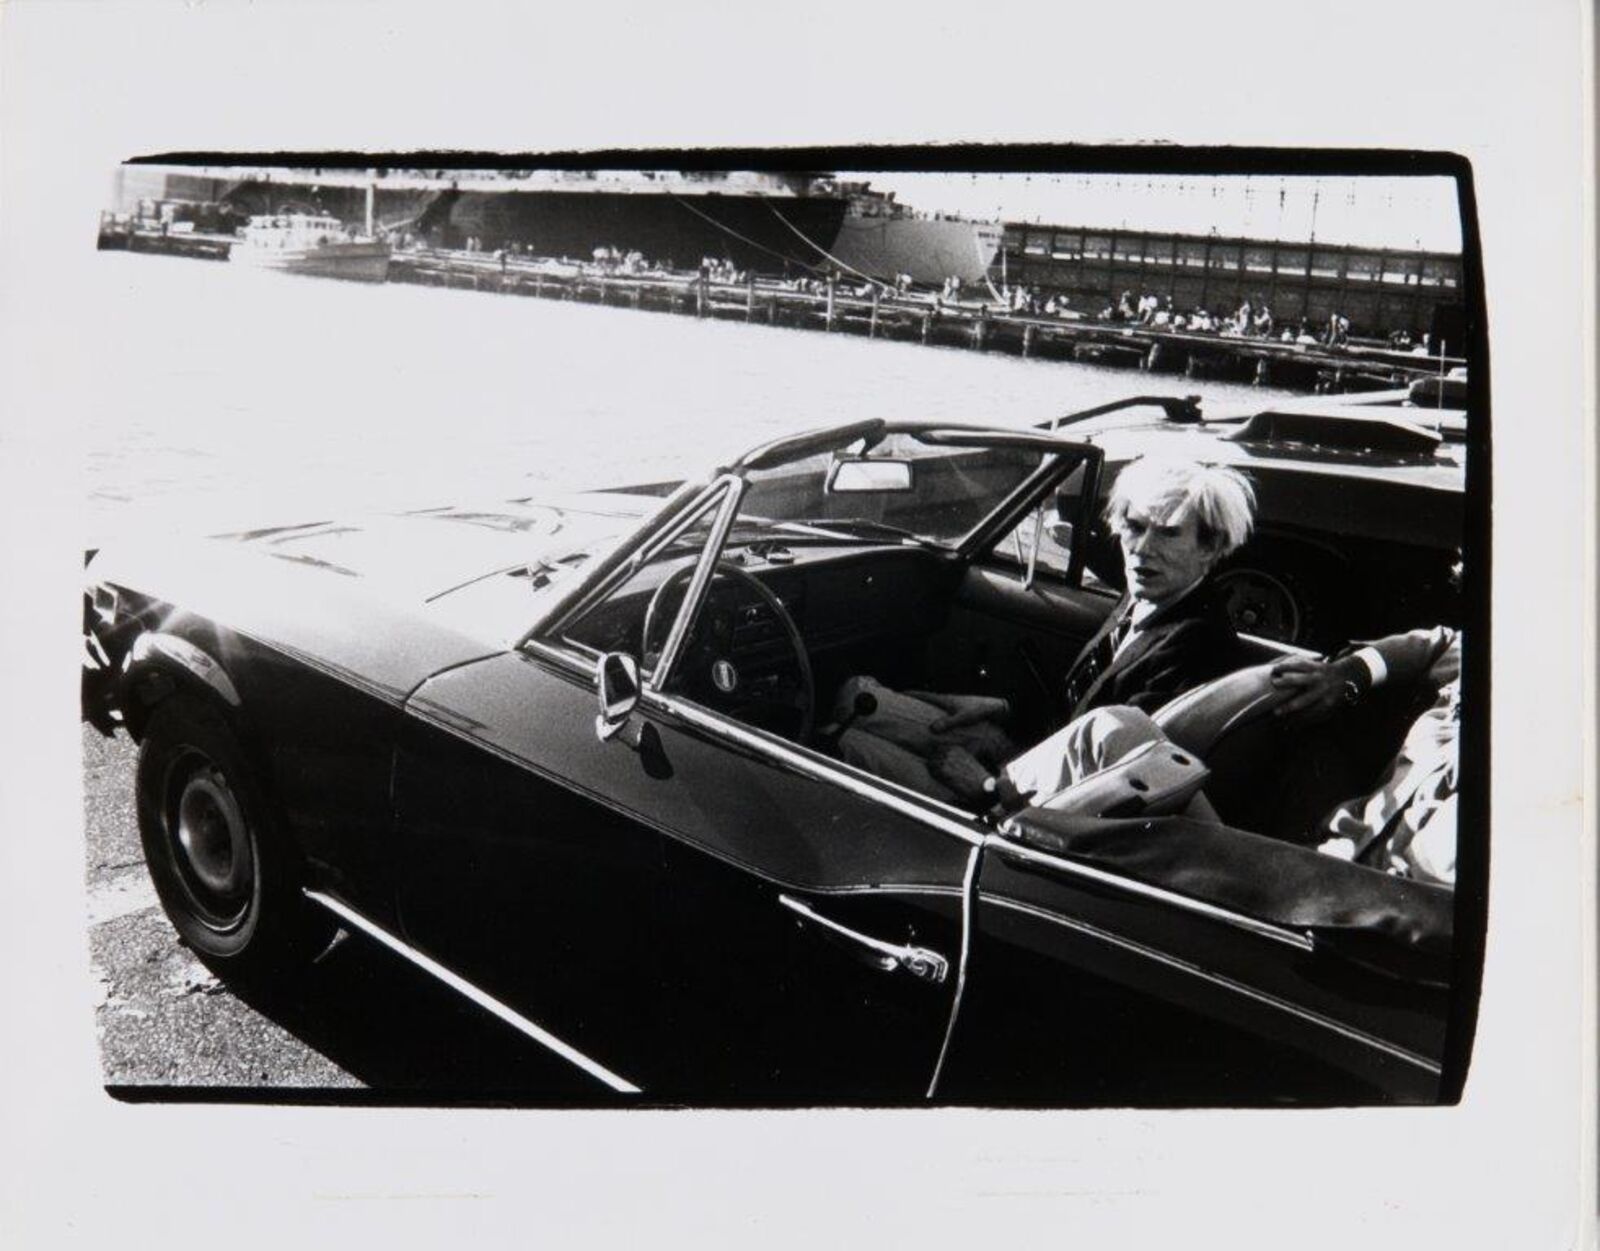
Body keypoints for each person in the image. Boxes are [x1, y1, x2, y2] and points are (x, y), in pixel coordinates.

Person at [836, 457, 1257, 805]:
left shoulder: (1198, 642)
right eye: (1134, 526)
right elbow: (1084, 706)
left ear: (1211, 548)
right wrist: (1003, 710)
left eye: (1167, 533)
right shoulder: (1147, 595)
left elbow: (1120, 786)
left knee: (846, 744)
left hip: (1026, 804)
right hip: (1029, 754)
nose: (1143, 548)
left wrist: (987, 786)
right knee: (855, 695)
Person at [1041, 625, 1462, 885]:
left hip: (1328, 908)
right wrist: (1347, 676)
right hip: (1309, 865)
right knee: (1117, 729)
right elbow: (1437, 643)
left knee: (1112, 734)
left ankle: (1006, 823)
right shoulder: (1484, 660)